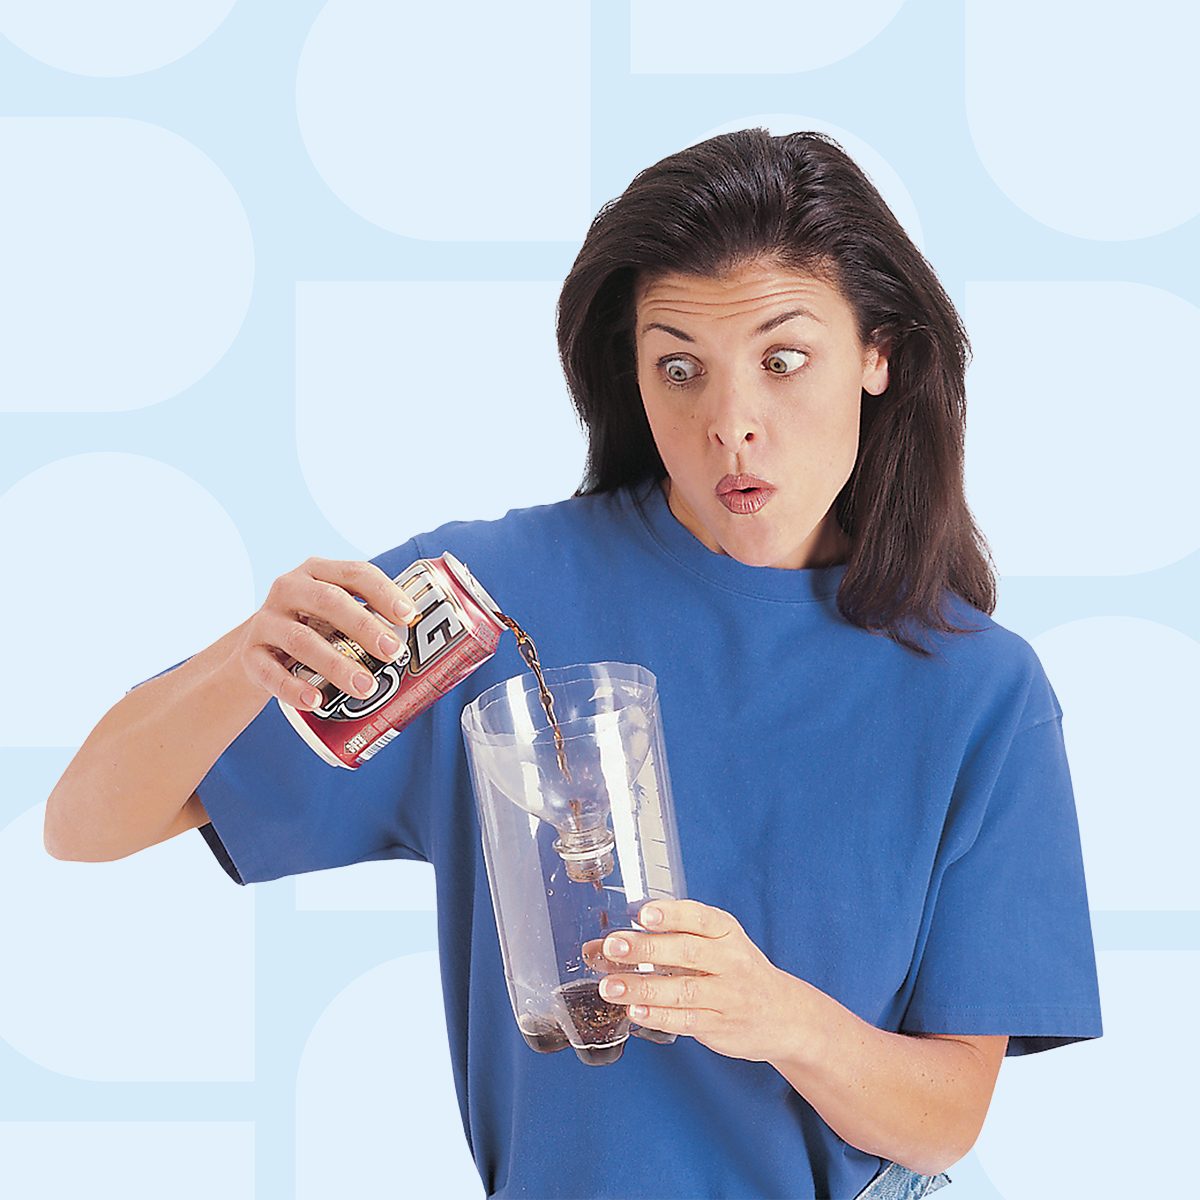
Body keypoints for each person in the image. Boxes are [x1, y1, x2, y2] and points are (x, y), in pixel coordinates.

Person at [44, 128, 1103, 1200]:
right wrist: (245, 658)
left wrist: (777, 1016)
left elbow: (947, 1118)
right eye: (678, 368)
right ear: (630, 375)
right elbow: (82, 822)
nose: (732, 423)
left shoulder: (977, 692)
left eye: (783, 361)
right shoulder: (486, 607)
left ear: (879, 353)